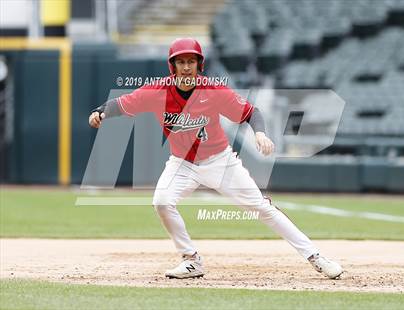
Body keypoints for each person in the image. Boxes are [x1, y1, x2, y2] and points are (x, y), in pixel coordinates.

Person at [88, 38, 343, 279]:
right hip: (182, 164)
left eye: (191, 61)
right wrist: (100, 112)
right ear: (172, 66)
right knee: (162, 201)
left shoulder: (213, 89)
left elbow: (250, 112)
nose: (186, 67)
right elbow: (122, 103)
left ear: (199, 64)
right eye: (181, 62)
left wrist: (261, 134)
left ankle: (315, 256)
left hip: (221, 162)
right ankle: (191, 259)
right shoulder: (157, 91)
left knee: (262, 209)